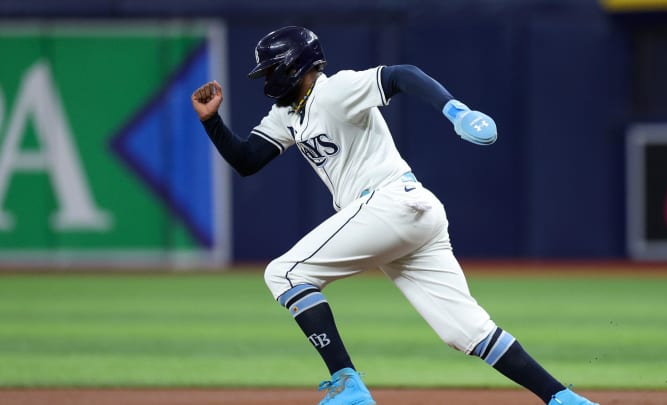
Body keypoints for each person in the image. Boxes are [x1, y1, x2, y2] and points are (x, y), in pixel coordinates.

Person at [191, 26, 599, 405]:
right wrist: (212, 122)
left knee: (285, 273)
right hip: (408, 214)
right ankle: (563, 399)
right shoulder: (287, 114)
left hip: (389, 202)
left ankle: (347, 384)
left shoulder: (334, 91)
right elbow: (247, 160)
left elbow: (402, 74)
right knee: (465, 332)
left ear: (294, 65)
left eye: (270, 71)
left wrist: (455, 111)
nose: (266, 81)